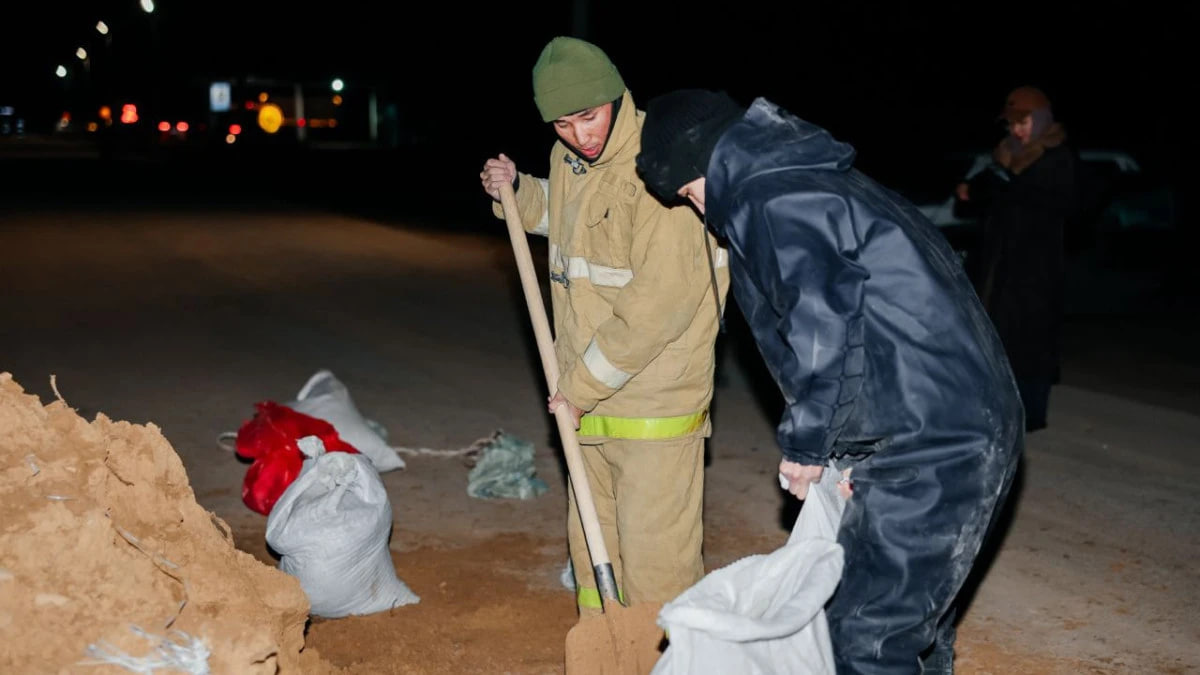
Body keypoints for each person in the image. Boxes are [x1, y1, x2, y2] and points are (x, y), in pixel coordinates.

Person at [634, 89, 1023, 674]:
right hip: (948, 422)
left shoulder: (776, 198)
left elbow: (821, 323)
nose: (698, 211)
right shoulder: (814, 179)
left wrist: (810, 445)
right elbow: (873, 324)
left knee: (866, 639)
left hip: (933, 440)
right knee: (907, 624)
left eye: (690, 192)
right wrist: (851, 455)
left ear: (706, 160)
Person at [478, 39, 730, 616]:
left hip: (653, 406)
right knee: (596, 552)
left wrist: (578, 388)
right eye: (563, 124)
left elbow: (656, 308)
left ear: (616, 97)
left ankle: (667, 654)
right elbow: (573, 223)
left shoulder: (662, 167)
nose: (579, 135)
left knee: (657, 568)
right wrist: (518, 192)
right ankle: (603, 643)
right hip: (586, 401)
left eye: (589, 116)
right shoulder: (568, 159)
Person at [956, 85, 1077, 432]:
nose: (1017, 130)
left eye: (1023, 123)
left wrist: (1008, 186)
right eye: (1012, 124)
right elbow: (985, 190)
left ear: (1040, 120)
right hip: (999, 262)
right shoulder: (1006, 153)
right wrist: (973, 189)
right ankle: (993, 410)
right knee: (994, 336)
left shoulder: (1057, 156)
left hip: (1036, 267)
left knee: (1031, 341)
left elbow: (1060, 203)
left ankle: (1031, 414)